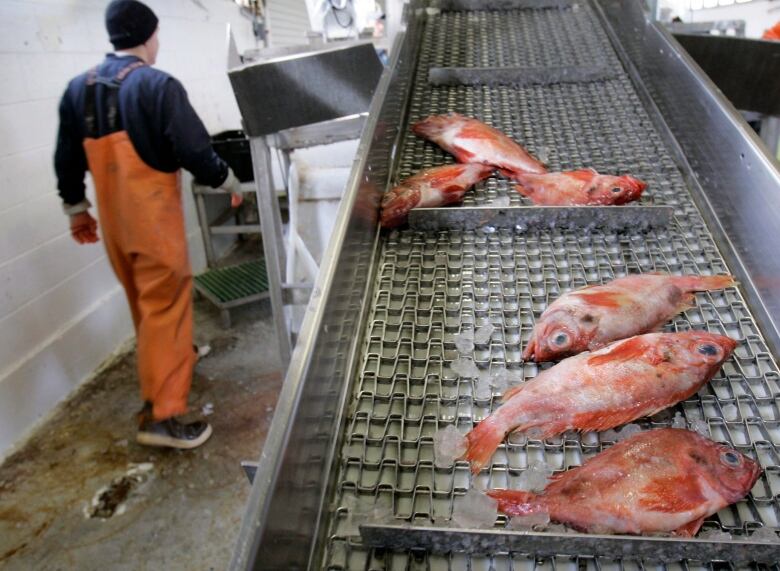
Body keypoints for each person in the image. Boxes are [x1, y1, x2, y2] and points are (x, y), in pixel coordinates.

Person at [54, 0, 243, 449]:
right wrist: (227, 179)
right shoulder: (156, 86)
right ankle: (162, 415)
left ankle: (178, 357)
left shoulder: (77, 89)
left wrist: (77, 208)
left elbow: (66, 158)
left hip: (116, 224)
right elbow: (194, 149)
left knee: (146, 304)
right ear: (148, 35)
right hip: (151, 221)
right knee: (167, 302)